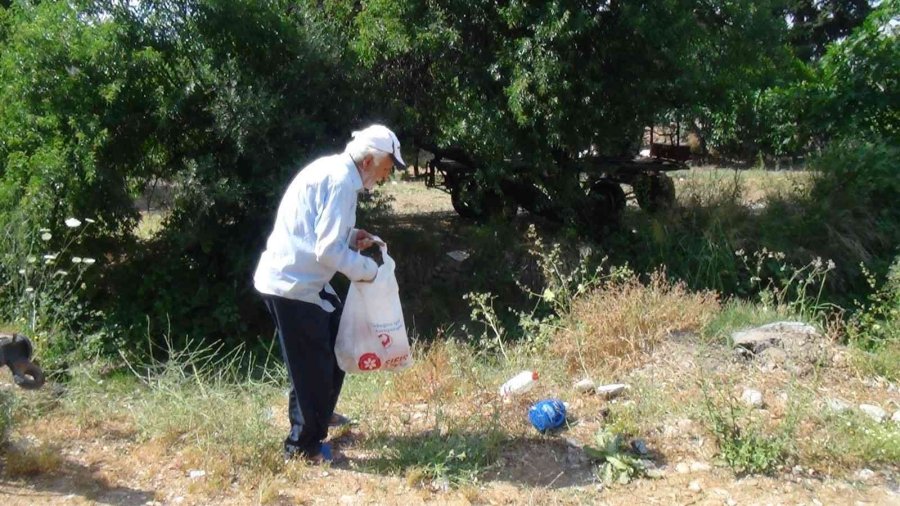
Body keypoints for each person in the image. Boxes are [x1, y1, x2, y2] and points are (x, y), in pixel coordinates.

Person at [253, 125, 405, 462]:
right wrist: (369, 271)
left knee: (337, 346)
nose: (385, 176)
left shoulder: (335, 172)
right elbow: (326, 252)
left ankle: (321, 415)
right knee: (311, 369)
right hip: (292, 285)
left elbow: (318, 230)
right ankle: (303, 447)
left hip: (303, 282)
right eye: (386, 168)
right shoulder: (340, 183)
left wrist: (351, 238)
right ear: (368, 160)